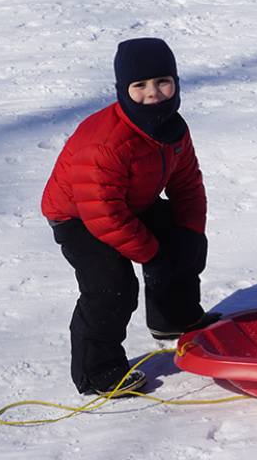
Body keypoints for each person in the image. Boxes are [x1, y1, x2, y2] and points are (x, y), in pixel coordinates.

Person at [42, 38, 220, 397]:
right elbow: (103, 214)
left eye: (162, 82)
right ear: (123, 90)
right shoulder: (105, 142)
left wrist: (189, 234)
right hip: (79, 216)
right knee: (112, 287)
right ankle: (97, 371)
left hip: (130, 204)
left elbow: (187, 186)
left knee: (184, 239)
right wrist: (151, 256)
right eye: (139, 86)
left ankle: (173, 319)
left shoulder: (173, 129)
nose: (153, 93)